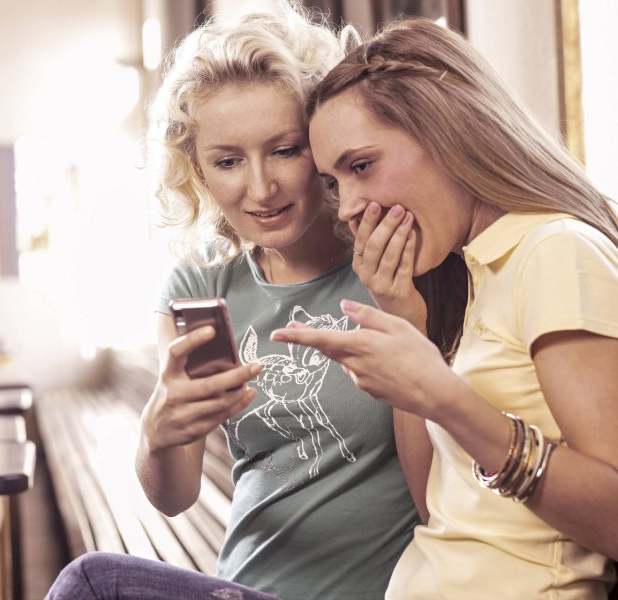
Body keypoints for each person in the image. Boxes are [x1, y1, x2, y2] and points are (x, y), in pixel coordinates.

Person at [45, 4, 423, 600]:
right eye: (227, 161)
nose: (260, 188)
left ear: (322, 144)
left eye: (285, 150)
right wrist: (160, 430)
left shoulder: (391, 262)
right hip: (244, 588)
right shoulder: (201, 286)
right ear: (195, 169)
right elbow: (174, 496)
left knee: (91, 584)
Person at [270, 18, 618, 599]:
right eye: (335, 183)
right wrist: (404, 320)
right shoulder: (477, 272)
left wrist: (448, 399)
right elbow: (435, 510)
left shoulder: (555, 251)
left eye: (361, 166)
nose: (349, 208)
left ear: (448, 130)